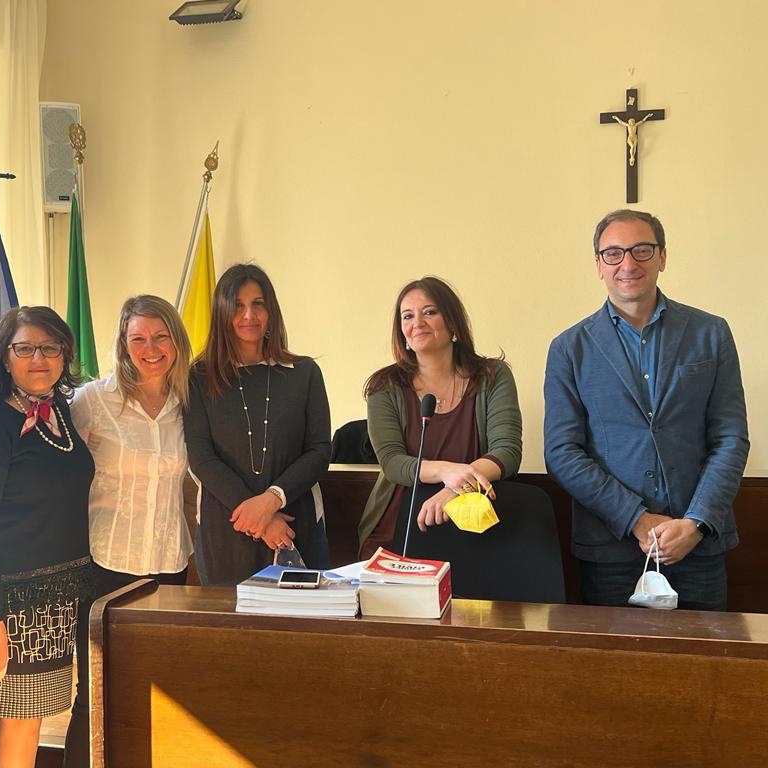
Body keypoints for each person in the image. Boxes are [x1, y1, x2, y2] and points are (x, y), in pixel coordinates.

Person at [544, 209, 749, 611]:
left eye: (642, 249)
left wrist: (696, 522)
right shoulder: (569, 348)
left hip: (697, 543)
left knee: (702, 653)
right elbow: (562, 452)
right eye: (613, 253)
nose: (628, 263)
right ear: (599, 265)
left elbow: (730, 438)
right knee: (618, 655)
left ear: (662, 256)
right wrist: (636, 518)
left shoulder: (711, 333)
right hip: (612, 548)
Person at [0, 306, 93, 768]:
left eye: (50, 347)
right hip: (13, 604)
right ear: (5, 357)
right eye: (25, 348)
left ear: (64, 355)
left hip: (57, 599)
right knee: (19, 718)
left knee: (33, 717)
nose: (39, 358)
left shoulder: (59, 413)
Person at [64, 295, 191, 765]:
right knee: (96, 695)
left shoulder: (189, 405)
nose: (150, 349)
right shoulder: (92, 401)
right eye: (138, 338)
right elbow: (57, 472)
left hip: (169, 568)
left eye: (160, 337)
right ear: (123, 343)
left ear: (176, 341)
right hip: (105, 565)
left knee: (160, 695)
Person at [183, 263, 331, 585]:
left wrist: (271, 501)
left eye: (257, 304)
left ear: (271, 310)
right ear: (221, 312)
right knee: (229, 618)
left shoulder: (304, 373)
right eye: (237, 305)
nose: (248, 315)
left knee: (303, 616)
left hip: (296, 524)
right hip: (227, 529)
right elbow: (201, 457)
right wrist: (260, 519)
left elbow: (319, 450)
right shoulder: (198, 378)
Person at [358, 277, 523, 558]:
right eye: (407, 316)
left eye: (430, 312)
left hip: (472, 522)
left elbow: (507, 451)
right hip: (399, 522)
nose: (417, 322)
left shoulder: (493, 376)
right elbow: (392, 462)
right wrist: (447, 472)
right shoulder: (384, 386)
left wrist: (455, 489)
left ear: (453, 322)